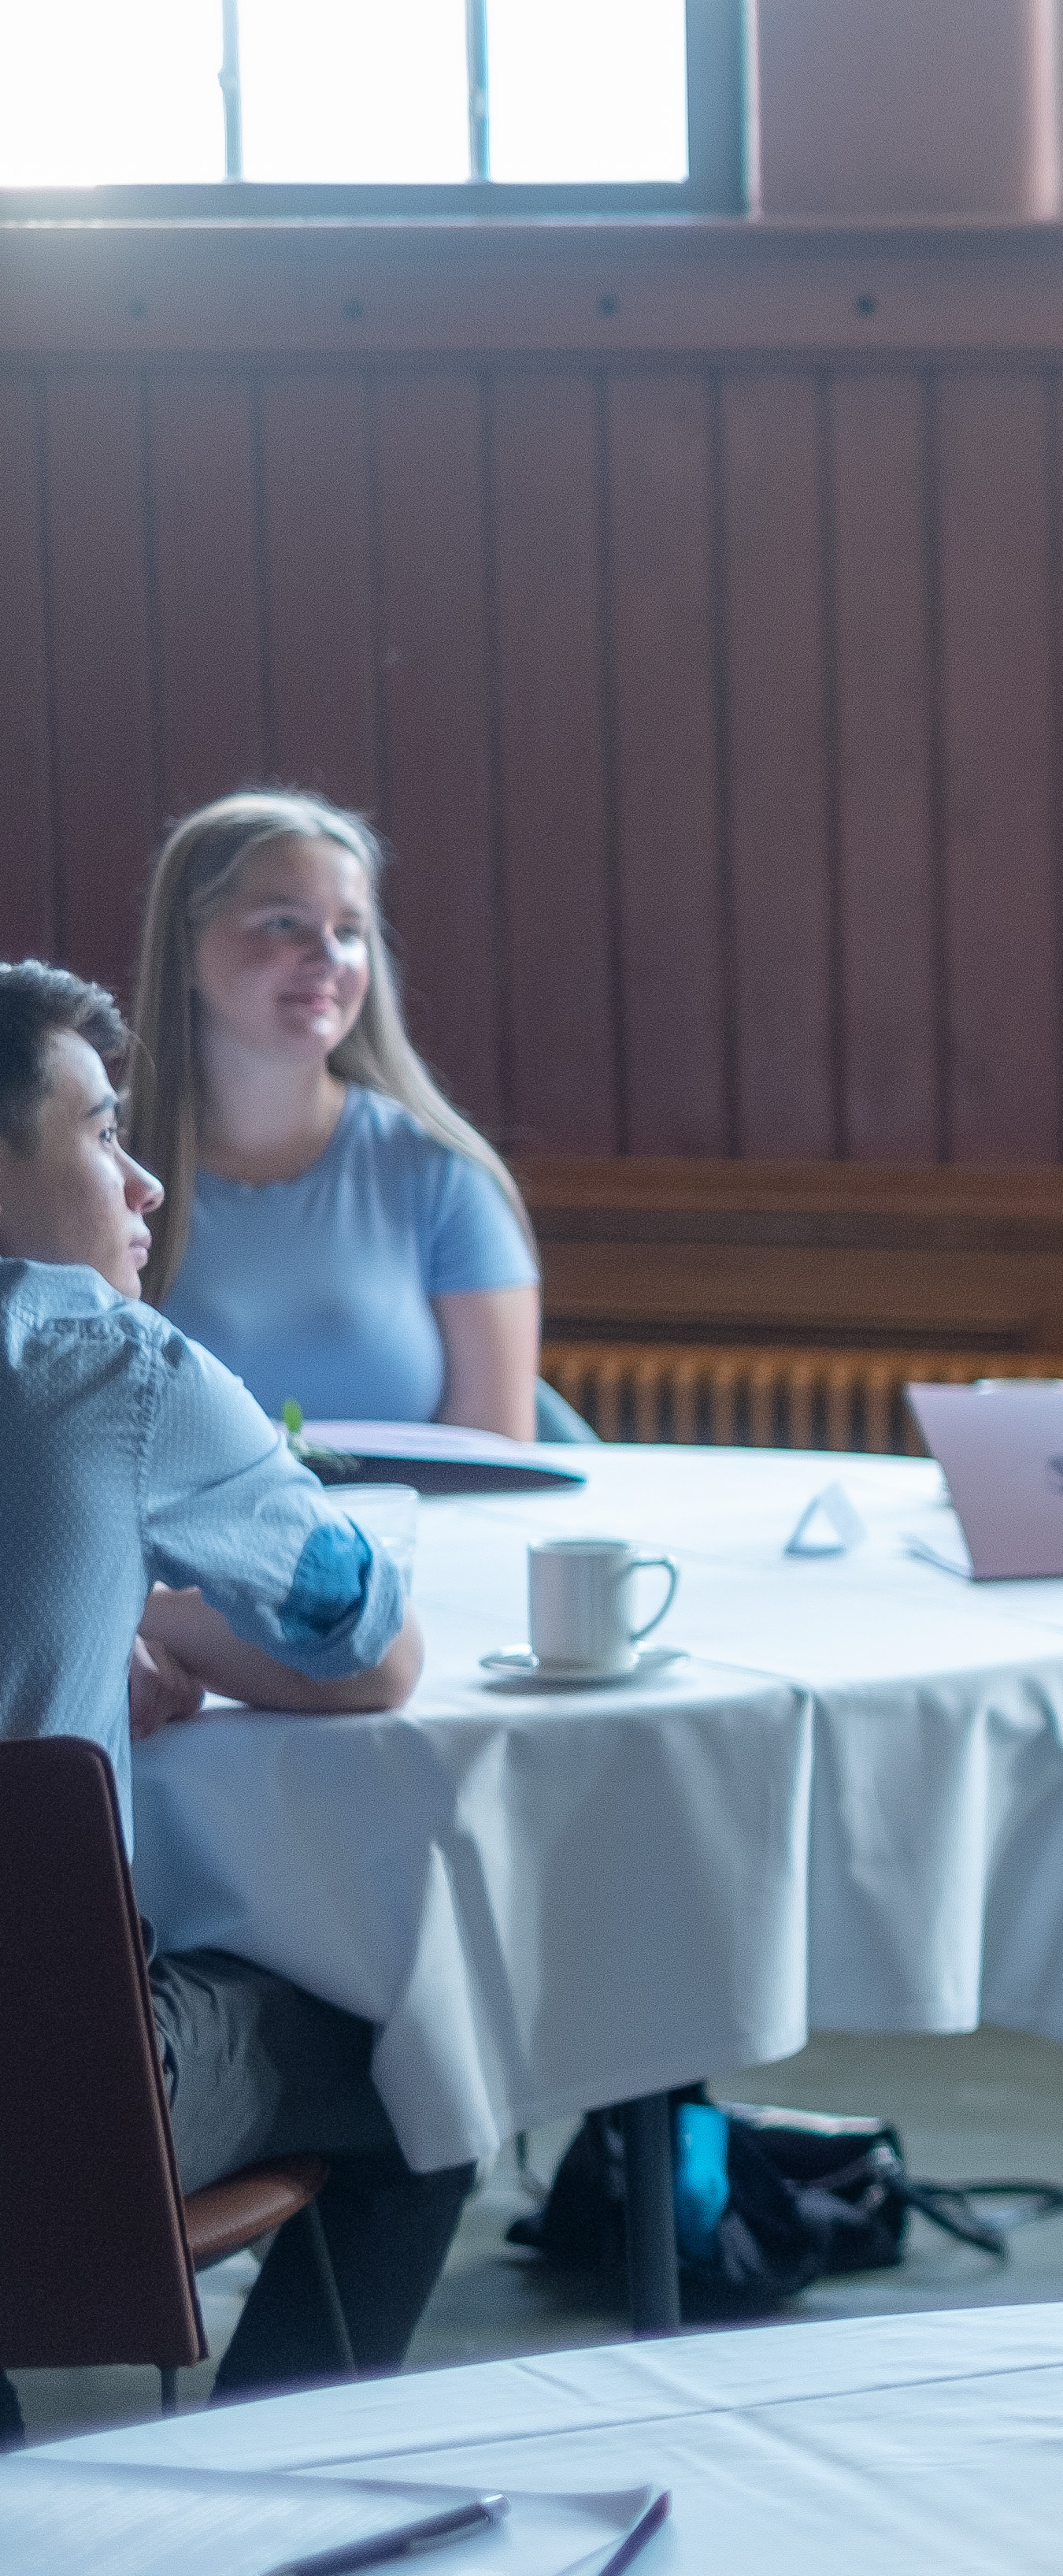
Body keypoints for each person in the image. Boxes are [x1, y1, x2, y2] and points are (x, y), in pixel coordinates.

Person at [0, 960, 462, 2434]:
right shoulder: (100, 1365)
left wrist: (104, 1604)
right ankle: (262, 2494)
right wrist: (178, 1631)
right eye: (98, 1132)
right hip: (43, 2088)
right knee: (425, 2081)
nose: (139, 1186)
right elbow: (366, 1643)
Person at [124, 792, 541, 1442]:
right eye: (283, 923)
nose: (327, 956)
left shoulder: (442, 1175)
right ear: (187, 942)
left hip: (404, 1542)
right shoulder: (100, 1172)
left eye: (349, 932)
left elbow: (494, 1468)